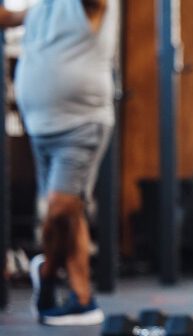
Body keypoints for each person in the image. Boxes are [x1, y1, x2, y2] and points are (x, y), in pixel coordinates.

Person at [0, 0, 116, 326]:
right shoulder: (40, 9)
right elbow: (7, 17)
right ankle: (81, 298)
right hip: (40, 127)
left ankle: (46, 273)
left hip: (81, 124)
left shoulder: (90, 6)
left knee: (61, 207)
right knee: (70, 214)